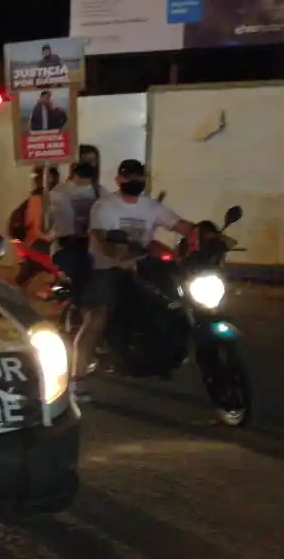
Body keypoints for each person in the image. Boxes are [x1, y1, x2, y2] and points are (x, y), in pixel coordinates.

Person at [71, 160, 194, 402]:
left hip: (142, 266)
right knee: (97, 319)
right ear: (118, 180)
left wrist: (204, 234)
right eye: (128, 177)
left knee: (176, 298)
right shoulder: (105, 206)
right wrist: (118, 256)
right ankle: (76, 380)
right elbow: (101, 238)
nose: (133, 181)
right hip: (107, 268)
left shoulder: (150, 207)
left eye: (138, 177)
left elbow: (181, 225)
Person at [49, 161, 108, 287]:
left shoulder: (60, 191)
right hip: (82, 241)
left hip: (74, 240)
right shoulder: (99, 190)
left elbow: (62, 217)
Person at [14, 167, 59, 292]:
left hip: (32, 244)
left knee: (27, 275)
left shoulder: (37, 198)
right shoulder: (39, 199)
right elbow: (35, 225)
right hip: (38, 244)